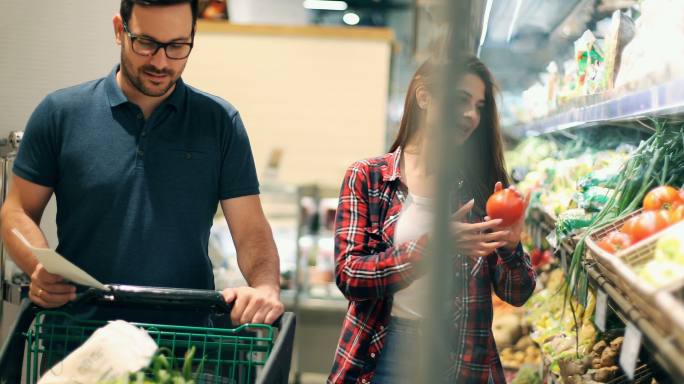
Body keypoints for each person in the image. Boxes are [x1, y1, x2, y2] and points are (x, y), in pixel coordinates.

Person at [0, 0, 283, 326]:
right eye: (146, 43)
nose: (161, 61)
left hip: (184, 342)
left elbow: (250, 230)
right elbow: (16, 210)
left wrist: (265, 286)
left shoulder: (220, 123)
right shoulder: (60, 113)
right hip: (77, 336)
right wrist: (38, 269)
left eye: (177, 46)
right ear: (120, 30)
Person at [328, 56, 536, 383]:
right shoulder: (368, 177)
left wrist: (511, 248)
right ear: (424, 97)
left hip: (463, 355)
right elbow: (350, 275)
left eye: (479, 106)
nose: (471, 115)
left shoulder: (481, 185)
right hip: (386, 350)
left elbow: (517, 293)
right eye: (461, 100)